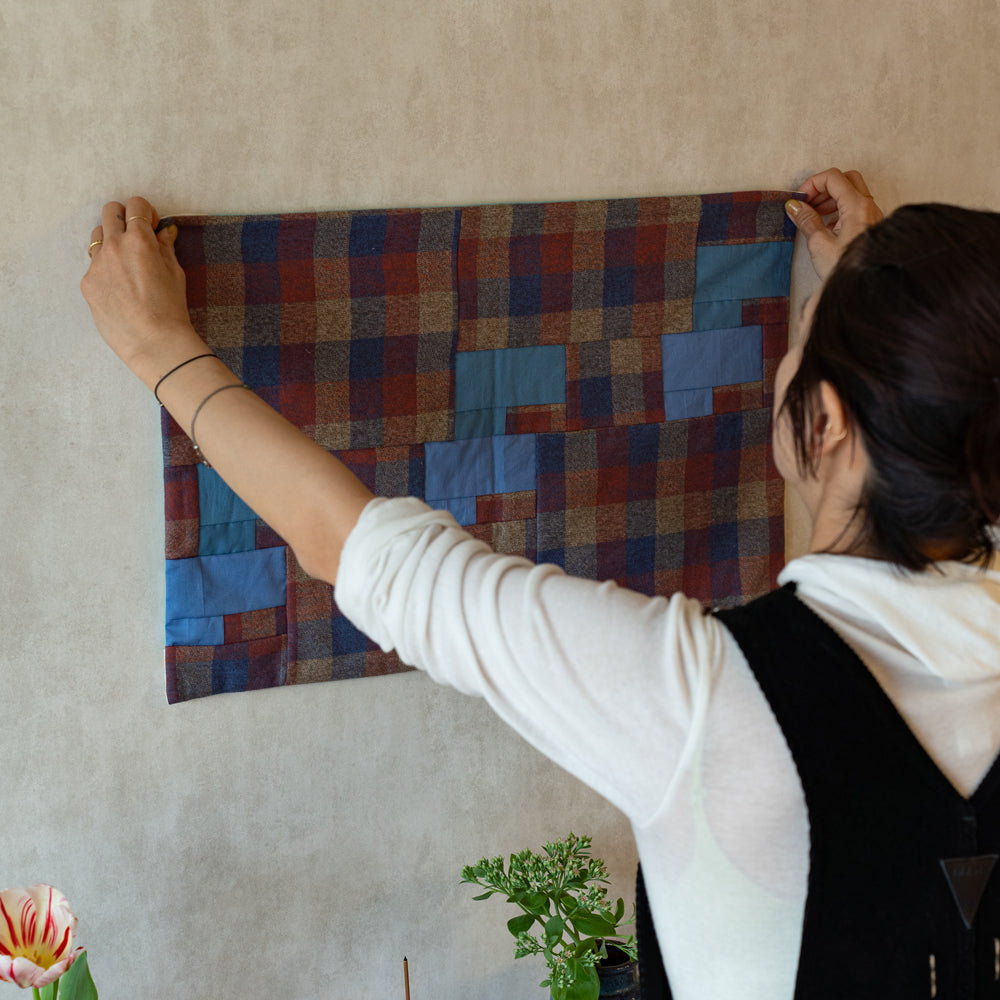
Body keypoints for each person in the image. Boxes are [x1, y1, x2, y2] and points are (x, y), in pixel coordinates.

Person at [81, 169, 1000, 999]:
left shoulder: (704, 696)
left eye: (799, 340)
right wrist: (905, 308)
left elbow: (360, 549)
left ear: (827, 422)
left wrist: (161, 348)